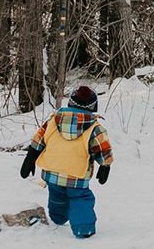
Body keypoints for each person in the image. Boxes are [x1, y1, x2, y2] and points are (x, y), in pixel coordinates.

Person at [19, 86, 113, 238]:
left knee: (57, 195)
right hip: (77, 177)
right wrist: (105, 165)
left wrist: (30, 158)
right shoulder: (95, 128)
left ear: (70, 103)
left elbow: (38, 140)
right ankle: (84, 229)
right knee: (80, 199)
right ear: (93, 107)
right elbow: (102, 149)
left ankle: (58, 218)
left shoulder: (52, 121)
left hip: (52, 173)